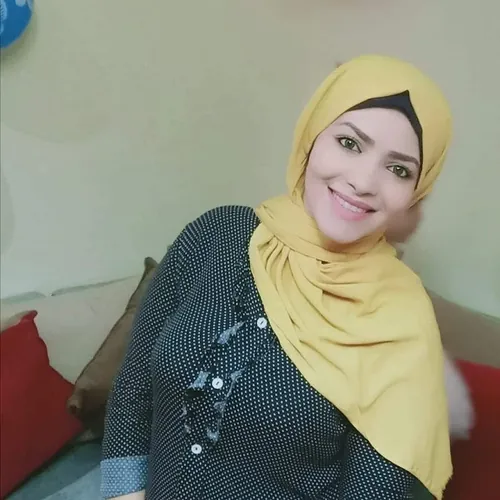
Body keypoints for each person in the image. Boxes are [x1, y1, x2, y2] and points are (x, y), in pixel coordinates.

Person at [101, 55, 453, 500]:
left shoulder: (400, 319)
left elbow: (375, 490)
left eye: (399, 169)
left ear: (416, 192)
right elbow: (133, 387)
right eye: (349, 143)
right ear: (311, 137)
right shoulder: (217, 235)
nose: (364, 181)